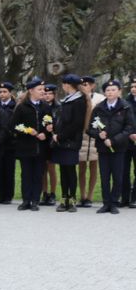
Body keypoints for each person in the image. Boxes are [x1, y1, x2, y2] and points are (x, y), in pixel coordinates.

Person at [87, 80, 134, 214]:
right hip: (102, 148)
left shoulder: (125, 107)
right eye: (108, 90)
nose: (110, 92)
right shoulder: (99, 108)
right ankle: (106, 203)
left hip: (119, 148)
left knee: (117, 176)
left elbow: (129, 128)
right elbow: (90, 128)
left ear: (119, 91)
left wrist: (113, 140)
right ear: (104, 92)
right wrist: (98, 134)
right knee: (105, 176)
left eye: (113, 90)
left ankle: (114, 202)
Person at [11, 77, 52, 211]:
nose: (42, 92)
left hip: (41, 147)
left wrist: (45, 133)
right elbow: (14, 126)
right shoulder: (22, 107)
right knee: (26, 174)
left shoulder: (45, 106)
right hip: (25, 147)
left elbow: (49, 123)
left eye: (43, 89)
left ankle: (35, 200)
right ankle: (26, 200)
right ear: (30, 91)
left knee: (38, 174)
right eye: (39, 89)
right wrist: (29, 131)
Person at [49, 75, 87, 213]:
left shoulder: (79, 101)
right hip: (61, 140)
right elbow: (62, 120)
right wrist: (54, 132)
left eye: (64, 84)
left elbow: (76, 124)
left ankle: (72, 199)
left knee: (70, 170)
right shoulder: (66, 100)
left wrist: (60, 135)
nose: (63, 86)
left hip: (70, 141)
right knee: (63, 170)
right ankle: (64, 198)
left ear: (68, 85)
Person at [77, 76, 105, 207]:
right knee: (81, 167)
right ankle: (82, 195)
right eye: (82, 84)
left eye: (86, 84)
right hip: (81, 136)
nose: (84, 86)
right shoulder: (77, 98)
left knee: (94, 166)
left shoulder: (100, 99)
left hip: (95, 135)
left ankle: (90, 196)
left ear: (93, 85)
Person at [0, 82, 18, 203]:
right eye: (0, 92)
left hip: (10, 143)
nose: (2, 94)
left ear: (10, 93)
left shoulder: (14, 106)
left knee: (9, 170)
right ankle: (1, 194)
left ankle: (8, 195)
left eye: (5, 92)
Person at [40, 83, 60, 206]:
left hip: (53, 140)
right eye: (45, 93)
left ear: (54, 94)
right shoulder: (40, 106)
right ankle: (45, 193)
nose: (47, 96)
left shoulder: (58, 107)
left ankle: (52, 193)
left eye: (50, 93)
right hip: (42, 139)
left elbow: (61, 122)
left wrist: (54, 128)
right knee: (43, 169)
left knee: (51, 168)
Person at [124, 80, 136, 208]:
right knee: (124, 170)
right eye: (132, 86)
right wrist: (130, 133)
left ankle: (134, 198)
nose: (133, 89)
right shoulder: (126, 102)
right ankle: (125, 197)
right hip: (126, 140)